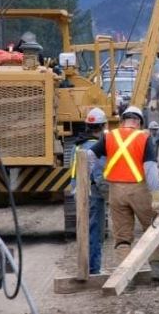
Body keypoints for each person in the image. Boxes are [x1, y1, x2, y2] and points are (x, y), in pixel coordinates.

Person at [88, 106, 159, 283]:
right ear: (139, 122)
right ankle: (156, 268)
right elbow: (150, 169)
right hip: (138, 189)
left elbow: (89, 155)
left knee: (122, 236)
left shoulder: (109, 136)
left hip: (116, 192)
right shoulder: (144, 137)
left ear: (122, 121)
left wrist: (85, 179)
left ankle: (126, 277)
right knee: (154, 227)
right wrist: (157, 194)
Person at [69, 108, 108, 274]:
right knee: (94, 231)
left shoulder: (77, 145)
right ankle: (93, 269)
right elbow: (99, 174)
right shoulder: (96, 146)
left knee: (84, 229)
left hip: (79, 192)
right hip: (93, 194)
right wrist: (108, 194)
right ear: (103, 126)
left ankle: (86, 267)